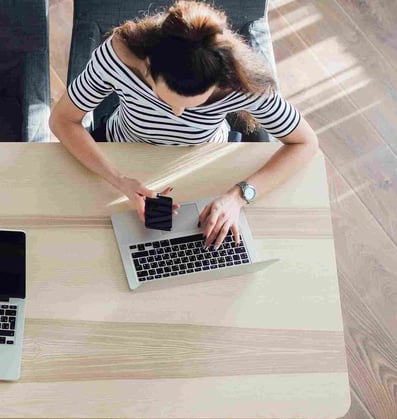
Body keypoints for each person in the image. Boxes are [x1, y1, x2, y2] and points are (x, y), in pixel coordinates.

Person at [49, 0, 318, 248]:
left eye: (193, 106)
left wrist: (238, 196)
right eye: (164, 100)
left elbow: (306, 143)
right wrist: (120, 180)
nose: (176, 114)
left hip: (205, 161)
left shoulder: (242, 82)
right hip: (121, 150)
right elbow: (62, 120)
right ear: (149, 65)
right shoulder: (117, 57)